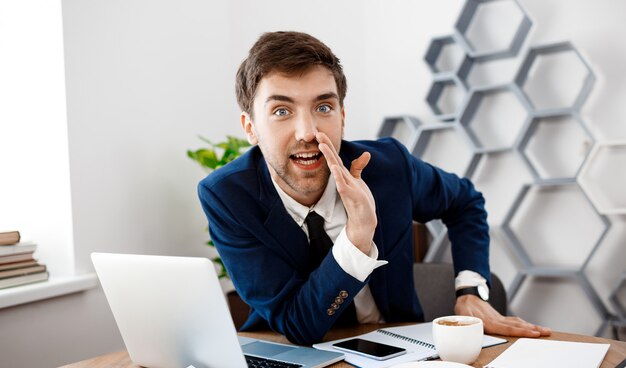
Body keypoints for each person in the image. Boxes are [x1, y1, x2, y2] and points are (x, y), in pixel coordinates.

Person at [198, 31, 551, 345]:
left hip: (401, 350)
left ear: (342, 117)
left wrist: (470, 289)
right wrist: (357, 237)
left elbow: (465, 202)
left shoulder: (389, 168)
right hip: (293, 356)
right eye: (281, 111)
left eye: (323, 107)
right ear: (250, 127)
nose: (307, 132)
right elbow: (298, 325)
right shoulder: (229, 196)